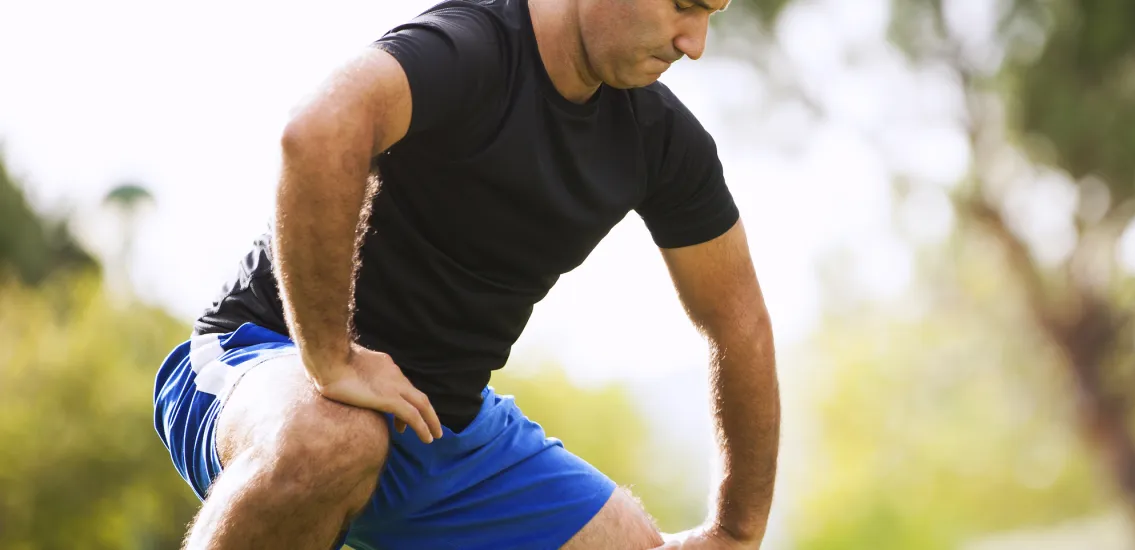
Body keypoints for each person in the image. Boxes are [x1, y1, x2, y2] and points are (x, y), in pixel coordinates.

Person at [150, 0, 780, 547]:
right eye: (684, 6)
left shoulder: (662, 141)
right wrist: (329, 357)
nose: (693, 45)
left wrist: (736, 531)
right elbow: (318, 129)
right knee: (333, 439)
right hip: (267, 361)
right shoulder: (472, 49)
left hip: (440, 424)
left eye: (710, 18)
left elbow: (738, 322)